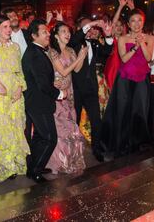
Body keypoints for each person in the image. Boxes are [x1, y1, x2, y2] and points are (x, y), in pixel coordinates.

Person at [0, 15, 30, 183]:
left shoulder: (15, 47)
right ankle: (2, 166)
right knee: (0, 130)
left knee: (15, 128)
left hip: (15, 94)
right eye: (5, 27)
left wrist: (20, 87)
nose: (9, 30)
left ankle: (14, 165)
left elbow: (20, 72)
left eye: (10, 27)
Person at [101, 9, 154, 157]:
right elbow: (124, 59)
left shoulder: (150, 38)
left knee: (140, 111)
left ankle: (137, 143)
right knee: (123, 111)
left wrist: (142, 42)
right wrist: (135, 46)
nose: (136, 24)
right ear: (128, 24)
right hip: (124, 79)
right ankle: (120, 143)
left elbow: (149, 58)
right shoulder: (123, 39)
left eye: (139, 20)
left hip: (142, 80)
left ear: (143, 22)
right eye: (133, 21)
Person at [22, 19, 67, 183]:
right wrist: (60, 93)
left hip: (37, 101)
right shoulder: (34, 54)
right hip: (38, 102)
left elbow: (42, 79)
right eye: (44, 32)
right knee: (50, 138)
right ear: (34, 35)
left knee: (39, 137)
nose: (49, 34)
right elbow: (42, 83)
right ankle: (35, 171)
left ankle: (35, 167)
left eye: (48, 31)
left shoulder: (37, 51)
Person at [69, 18, 113, 162]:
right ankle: (73, 152)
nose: (90, 30)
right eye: (86, 27)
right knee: (74, 121)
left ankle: (96, 149)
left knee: (96, 120)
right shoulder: (74, 43)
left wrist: (108, 35)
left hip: (91, 88)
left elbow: (106, 51)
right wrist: (92, 24)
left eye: (91, 27)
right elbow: (77, 36)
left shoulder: (94, 43)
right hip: (75, 88)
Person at [46, 21, 87, 174]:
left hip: (69, 91)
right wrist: (79, 57)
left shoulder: (70, 50)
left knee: (71, 124)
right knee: (60, 126)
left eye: (68, 31)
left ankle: (70, 158)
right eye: (64, 31)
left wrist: (81, 57)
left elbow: (76, 69)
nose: (68, 34)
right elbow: (63, 72)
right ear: (56, 35)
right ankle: (58, 161)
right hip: (57, 92)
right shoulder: (52, 51)